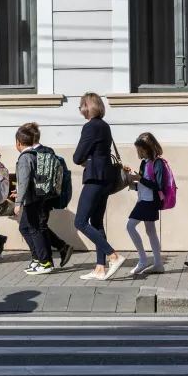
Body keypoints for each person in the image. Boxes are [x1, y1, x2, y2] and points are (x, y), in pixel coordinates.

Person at [74, 92, 126, 281]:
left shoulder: (90, 127)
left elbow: (77, 157)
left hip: (94, 178)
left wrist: (84, 158)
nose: (80, 110)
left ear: (87, 107)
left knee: (80, 221)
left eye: (81, 106)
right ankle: (99, 268)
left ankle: (113, 256)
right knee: (96, 223)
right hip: (106, 179)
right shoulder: (105, 126)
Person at [21, 123, 74, 268]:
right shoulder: (48, 151)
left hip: (40, 197)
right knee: (38, 226)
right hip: (47, 196)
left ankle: (45, 259)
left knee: (38, 226)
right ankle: (57, 250)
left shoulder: (38, 153)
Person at [14, 125, 54, 275]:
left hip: (31, 199)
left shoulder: (25, 157)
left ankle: (45, 262)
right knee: (25, 227)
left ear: (18, 142)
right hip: (38, 197)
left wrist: (18, 202)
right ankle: (38, 259)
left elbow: (24, 181)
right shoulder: (35, 154)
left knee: (34, 229)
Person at [126, 133, 165, 275]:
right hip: (143, 199)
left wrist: (139, 179)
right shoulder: (145, 162)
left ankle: (143, 259)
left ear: (150, 147)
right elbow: (143, 184)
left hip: (149, 201)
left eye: (142, 150)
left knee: (130, 226)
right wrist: (132, 183)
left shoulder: (158, 163)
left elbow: (158, 185)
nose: (140, 153)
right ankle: (158, 264)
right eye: (138, 150)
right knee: (151, 231)